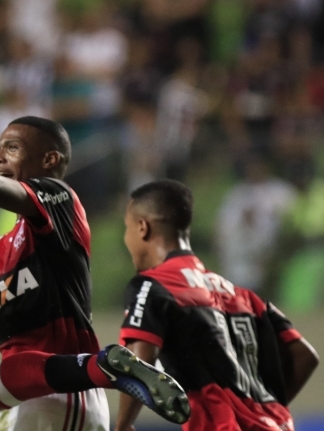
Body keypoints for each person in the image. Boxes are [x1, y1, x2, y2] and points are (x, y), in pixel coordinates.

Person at [0, 117, 191, 429]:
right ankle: (101, 368)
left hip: (66, 394)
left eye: (12, 147)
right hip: (24, 396)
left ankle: (100, 368)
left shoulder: (59, 199)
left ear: (49, 159)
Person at [116, 179, 319, 431]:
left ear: (142, 227)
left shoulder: (153, 285)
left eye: (127, 228)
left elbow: (139, 358)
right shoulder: (242, 294)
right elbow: (304, 355)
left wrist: (122, 426)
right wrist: (265, 409)